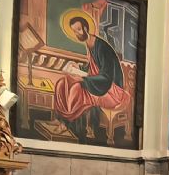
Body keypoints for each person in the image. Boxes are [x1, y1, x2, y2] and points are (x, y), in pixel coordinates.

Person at [52, 12, 129, 146]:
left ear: (86, 28)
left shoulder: (102, 47)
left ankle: (68, 125)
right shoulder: (89, 44)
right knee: (62, 83)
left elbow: (106, 78)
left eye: (78, 29)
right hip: (98, 83)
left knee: (76, 89)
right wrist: (79, 67)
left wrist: (84, 78)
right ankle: (61, 119)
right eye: (74, 31)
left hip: (111, 90)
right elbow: (93, 68)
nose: (77, 33)